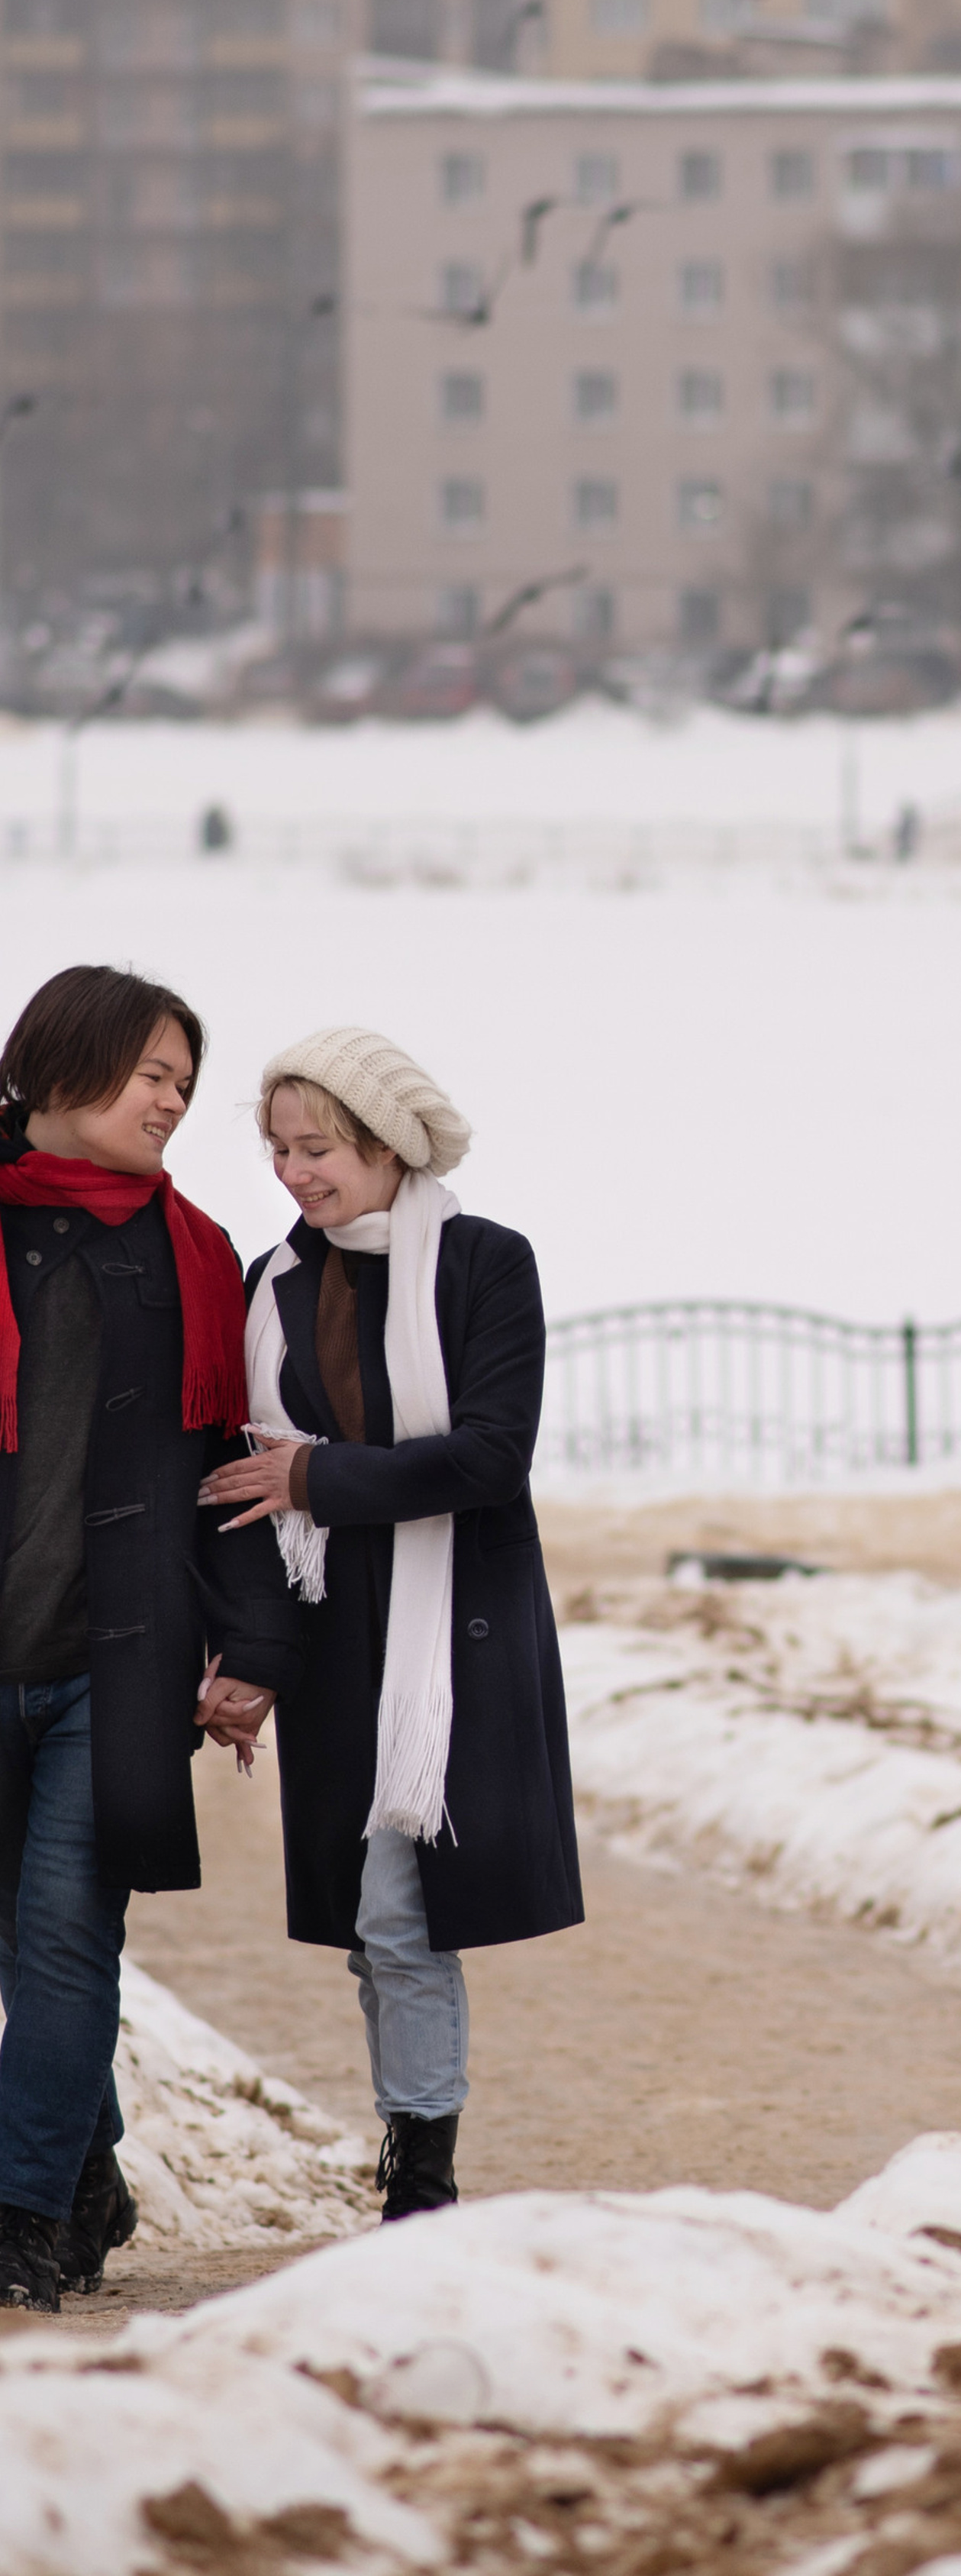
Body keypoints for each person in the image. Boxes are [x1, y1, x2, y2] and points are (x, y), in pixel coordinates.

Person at [199, 1028, 581, 2219]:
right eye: (279, 1150)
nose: (295, 1173)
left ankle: (421, 2179)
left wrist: (316, 1477)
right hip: (333, 1642)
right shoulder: (271, 1285)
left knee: (400, 1914)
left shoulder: (483, 1264)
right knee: (379, 1925)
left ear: (387, 1144)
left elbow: (488, 1458)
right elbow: (241, 1486)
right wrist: (252, 1655)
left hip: (450, 1638)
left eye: (317, 1148)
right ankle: (414, 2149)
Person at [0, 964, 297, 2313]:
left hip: (109, 1668)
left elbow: (224, 1468)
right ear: (64, 1065)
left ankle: (18, 2217)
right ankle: (88, 2177)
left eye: (183, 1081)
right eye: (151, 1074)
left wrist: (253, 1648)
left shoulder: (194, 1256)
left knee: (68, 1938)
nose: (173, 1101)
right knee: (24, 1950)